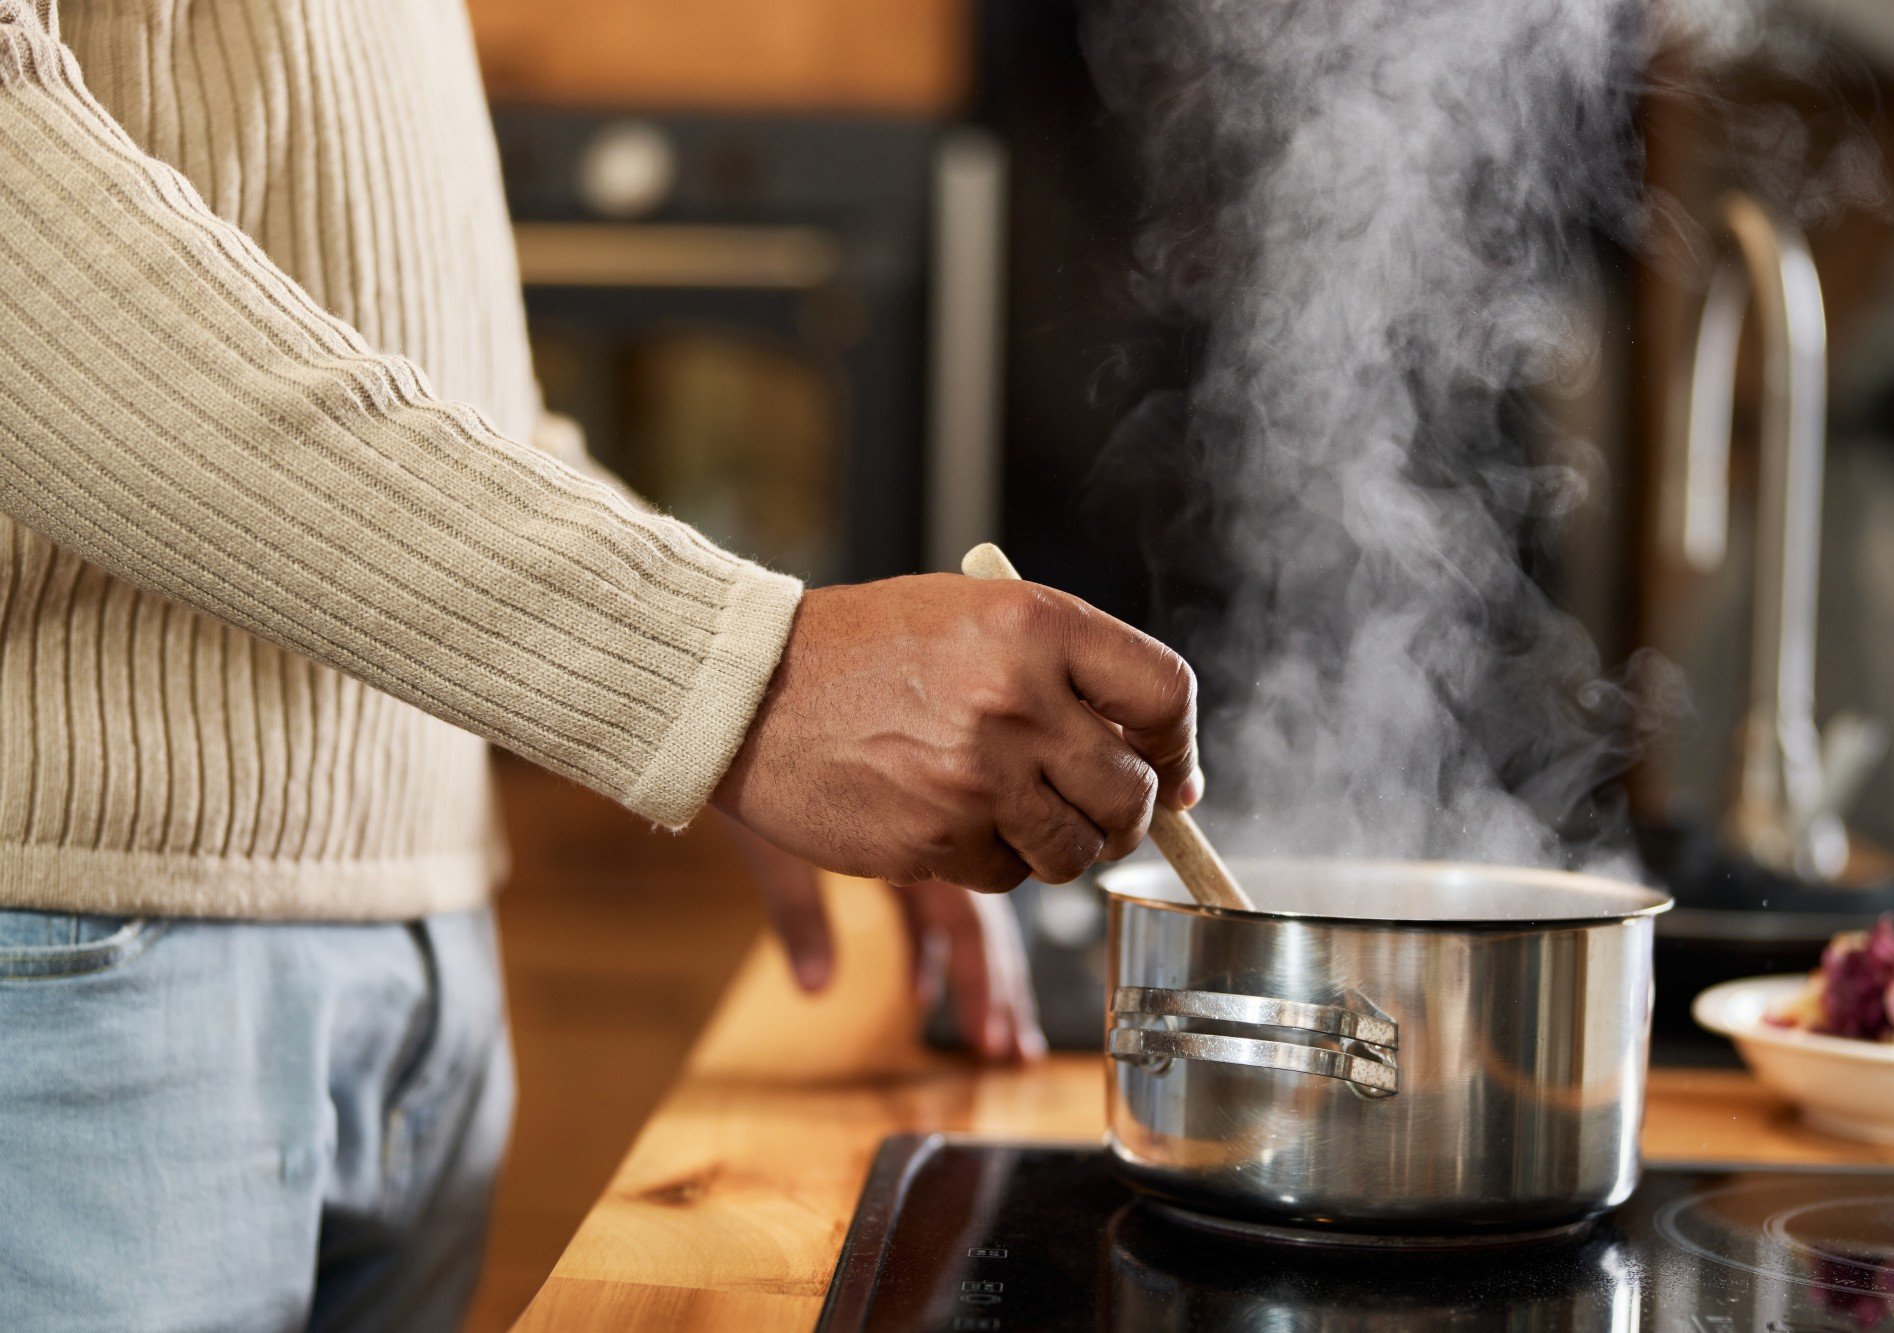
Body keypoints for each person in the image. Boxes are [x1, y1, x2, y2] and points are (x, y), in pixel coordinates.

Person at [0, 2, 1200, 1329]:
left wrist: (722, 656)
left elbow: (396, 342)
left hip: (403, 939)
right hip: (71, 963)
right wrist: (723, 670)